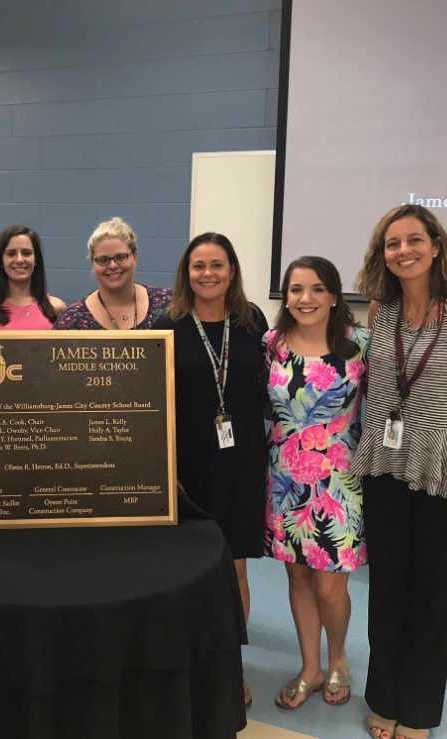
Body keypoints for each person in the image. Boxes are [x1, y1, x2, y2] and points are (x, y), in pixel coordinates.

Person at [351, 204, 447, 739]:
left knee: (432, 598)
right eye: (393, 244)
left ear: (436, 246)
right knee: (387, 590)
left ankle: (417, 711)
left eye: (414, 240)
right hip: (387, 466)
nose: (404, 251)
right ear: (382, 255)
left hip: (446, 475)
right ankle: (384, 699)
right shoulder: (380, 311)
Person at [153, 233, 269, 708]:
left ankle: (229, 669)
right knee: (186, 570)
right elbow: (151, 405)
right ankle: (188, 668)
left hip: (242, 460)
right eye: (198, 266)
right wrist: (165, 469)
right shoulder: (166, 326)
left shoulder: (253, 321)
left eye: (217, 265)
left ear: (232, 271)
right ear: (186, 273)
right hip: (187, 464)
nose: (207, 274)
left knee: (234, 569)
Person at [263, 257, 369, 711]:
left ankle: (338, 659)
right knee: (298, 576)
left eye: (317, 289)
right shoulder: (271, 344)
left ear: (333, 296)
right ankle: (309, 667)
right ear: (286, 296)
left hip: (340, 480)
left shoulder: (358, 345)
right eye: (295, 289)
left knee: (330, 586)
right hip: (284, 476)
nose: (305, 299)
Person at [53, 217, 171, 329]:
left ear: (135, 258)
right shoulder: (72, 320)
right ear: (93, 263)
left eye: (120, 257)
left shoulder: (168, 304)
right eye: (103, 260)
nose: (113, 266)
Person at [0, 225, 67, 330]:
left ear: (35, 260)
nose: (19, 260)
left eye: (26, 253)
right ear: (1, 260)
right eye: (11, 254)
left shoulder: (57, 308)